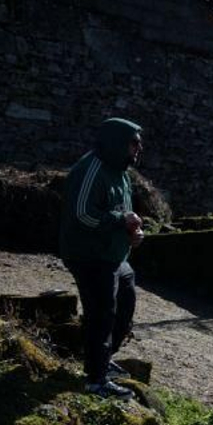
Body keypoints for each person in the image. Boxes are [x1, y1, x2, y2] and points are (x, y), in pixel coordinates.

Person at [59, 117, 145, 399]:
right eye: (134, 143)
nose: (138, 149)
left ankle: (102, 359)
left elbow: (124, 213)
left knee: (125, 307)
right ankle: (96, 381)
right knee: (101, 315)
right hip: (89, 256)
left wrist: (134, 233)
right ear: (118, 142)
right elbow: (83, 214)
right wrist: (122, 220)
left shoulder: (121, 172)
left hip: (115, 257)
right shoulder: (91, 170)